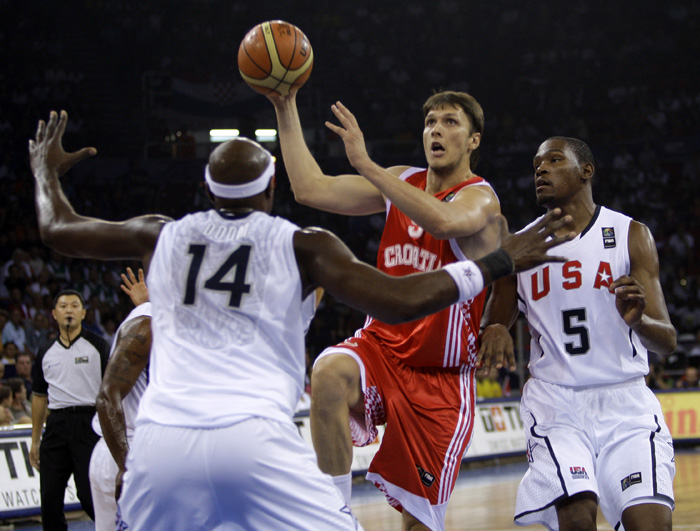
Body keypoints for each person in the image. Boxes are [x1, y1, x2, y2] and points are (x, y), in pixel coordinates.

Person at [28, 110, 573, 529]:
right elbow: (398, 300)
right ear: (269, 190)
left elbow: (57, 229)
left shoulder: (161, 233)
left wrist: (44, 171)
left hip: (163, 443)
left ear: (208, 188)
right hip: (253, 438)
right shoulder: (301, 244)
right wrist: (500, 261)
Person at [269, 88, 501, 529]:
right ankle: (333, 515)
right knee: (329, 372)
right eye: (431, 121)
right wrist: (285, 106)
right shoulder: (402, 180)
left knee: (416, 525)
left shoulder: (481, 198)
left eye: (450, 122)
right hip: (381, 349)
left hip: (440, 376)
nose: (436, 129)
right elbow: (309, 188)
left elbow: (444, 221)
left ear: (473, 141)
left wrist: (368, 165)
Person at [479, 137, 676, 531]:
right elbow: (493, 321)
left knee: (650, 524)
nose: (540, 169)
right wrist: (495, 327)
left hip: (626, 403)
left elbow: (666, 340)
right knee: (577, 519)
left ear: (586, 170)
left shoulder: (630, 234)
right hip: (557, 406)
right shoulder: (519, 248)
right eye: (536, 164)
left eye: (553, 160)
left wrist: (639, 322)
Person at [30, 288, 110, 530]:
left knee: (88, 496)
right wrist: (35, 440)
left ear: (84, 313)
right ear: (54, 314)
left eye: (74, 306)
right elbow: (39, 397)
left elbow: (113, 391)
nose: (69, 310)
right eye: (63, 306)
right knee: (49, 499)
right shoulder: (45, 351)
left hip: (89, 424)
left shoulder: (99, 346)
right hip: (55, 426)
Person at [89, 267, 151, 531]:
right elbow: (107, 397)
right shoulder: (147, 323)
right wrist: (126, 466)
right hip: (128, 449)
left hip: (129, 447)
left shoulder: (157, 317)